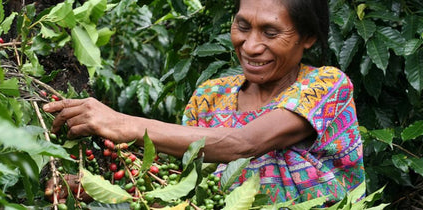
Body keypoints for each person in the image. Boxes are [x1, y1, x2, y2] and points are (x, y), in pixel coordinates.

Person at [43, 0, 364, 205]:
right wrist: (97, 188)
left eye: (270, 32)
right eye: (242, 26)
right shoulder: (209, 97)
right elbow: (184, 191)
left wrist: (122, 123)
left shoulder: (325, 85)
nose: (251, 45)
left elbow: (243, 143)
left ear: (307, 38)